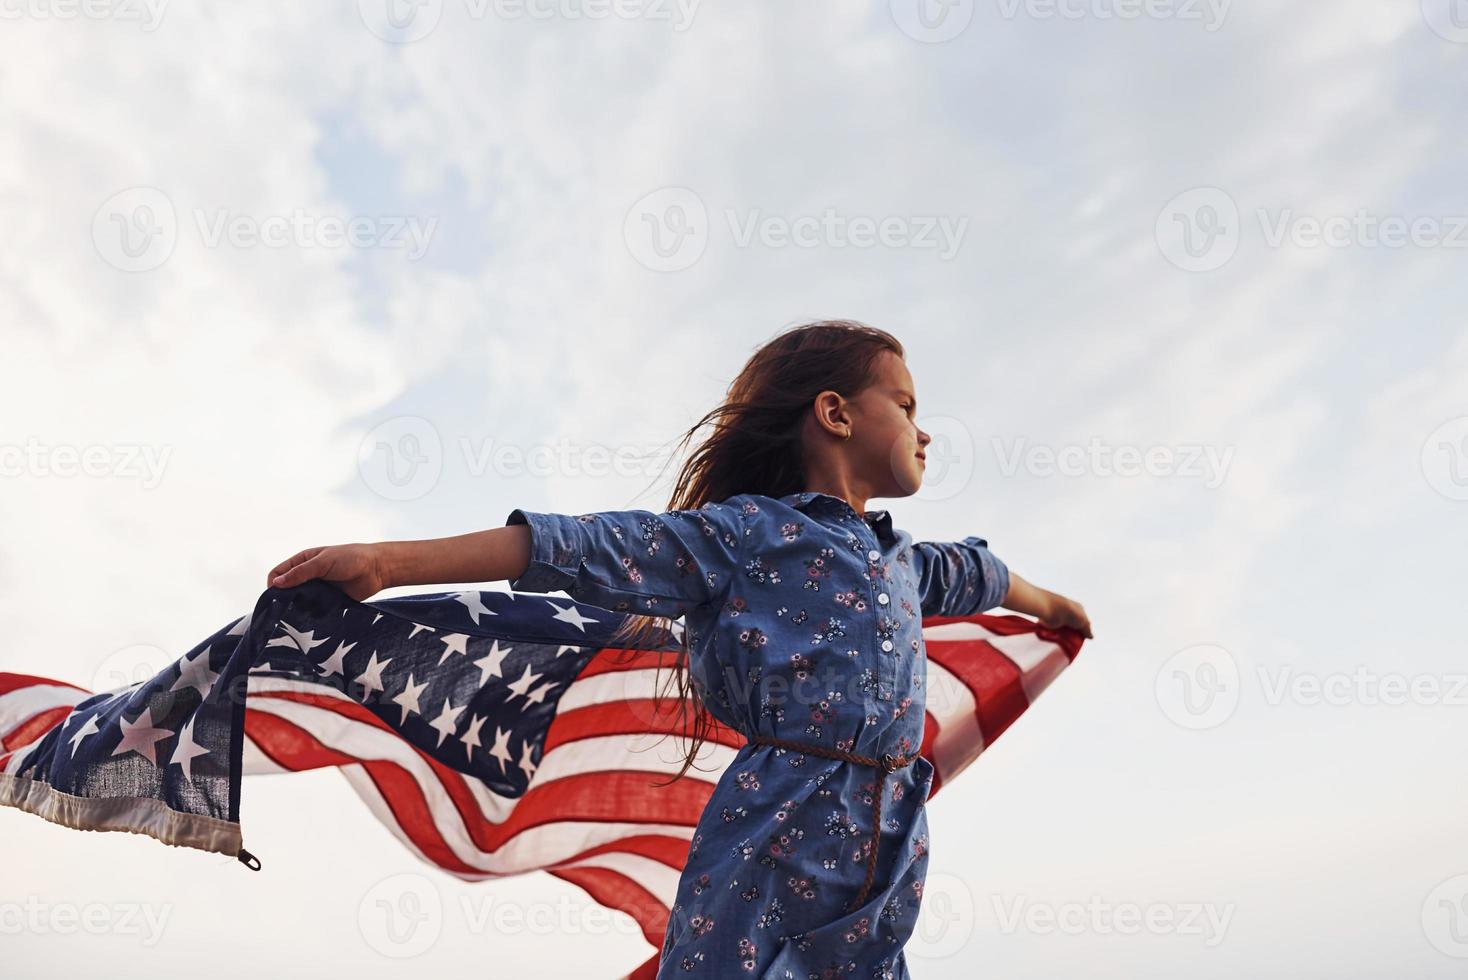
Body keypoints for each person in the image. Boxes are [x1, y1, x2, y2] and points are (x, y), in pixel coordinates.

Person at [265, 319, 1092, 978]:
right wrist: (385, 563)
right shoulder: (747, 536)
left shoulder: (906, 565)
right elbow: (572, 547)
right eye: (906, 405)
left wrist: (1057, 606)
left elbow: (985, 574)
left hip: (885, 854)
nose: (924, 429)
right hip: (776, 830)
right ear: (836, 414)